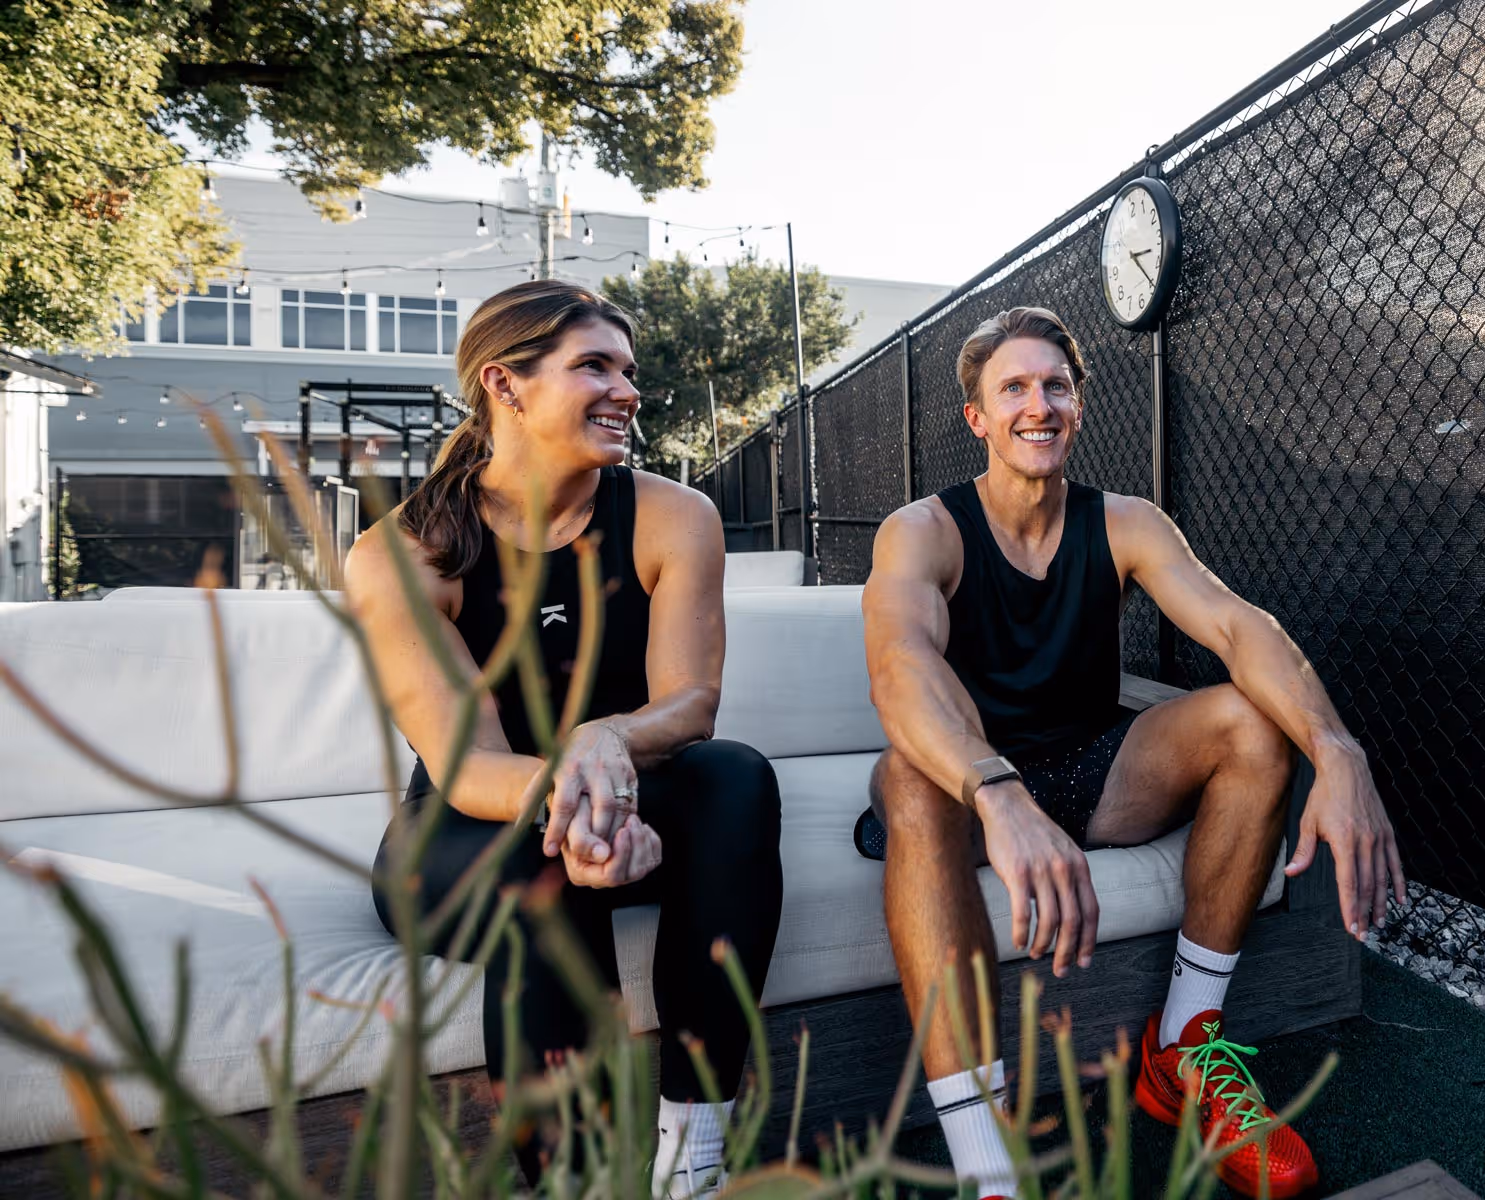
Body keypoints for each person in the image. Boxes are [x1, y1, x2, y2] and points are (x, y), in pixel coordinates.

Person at [859, 306, 1406, 1200]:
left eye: (1056, 386)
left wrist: (1339, 750)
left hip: (1089, 773)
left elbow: (1237, 625)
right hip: (969, 791)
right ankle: (989, 1167)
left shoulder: (1124, 522)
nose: (1039, 405)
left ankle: (1184, 1048)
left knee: (1251, 723)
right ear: (979, 419)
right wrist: (998, 794)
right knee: (909, 775)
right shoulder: (923, 529)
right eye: (1015, 389)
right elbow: (900, 667)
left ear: (1077, 405)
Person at [345, 281, 783, 1198]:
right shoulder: (407, 550)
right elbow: (469, 765)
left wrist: (602, 743)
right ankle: (567, 1181)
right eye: (595, 367)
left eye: (629, 370)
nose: (627, 390)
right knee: (550, 871)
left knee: (737, 778)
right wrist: (573, 800)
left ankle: (691, 1156)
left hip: (630, 790)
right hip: (467, 827)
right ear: (504, 385)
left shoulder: (672, 516)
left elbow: (691, 703)